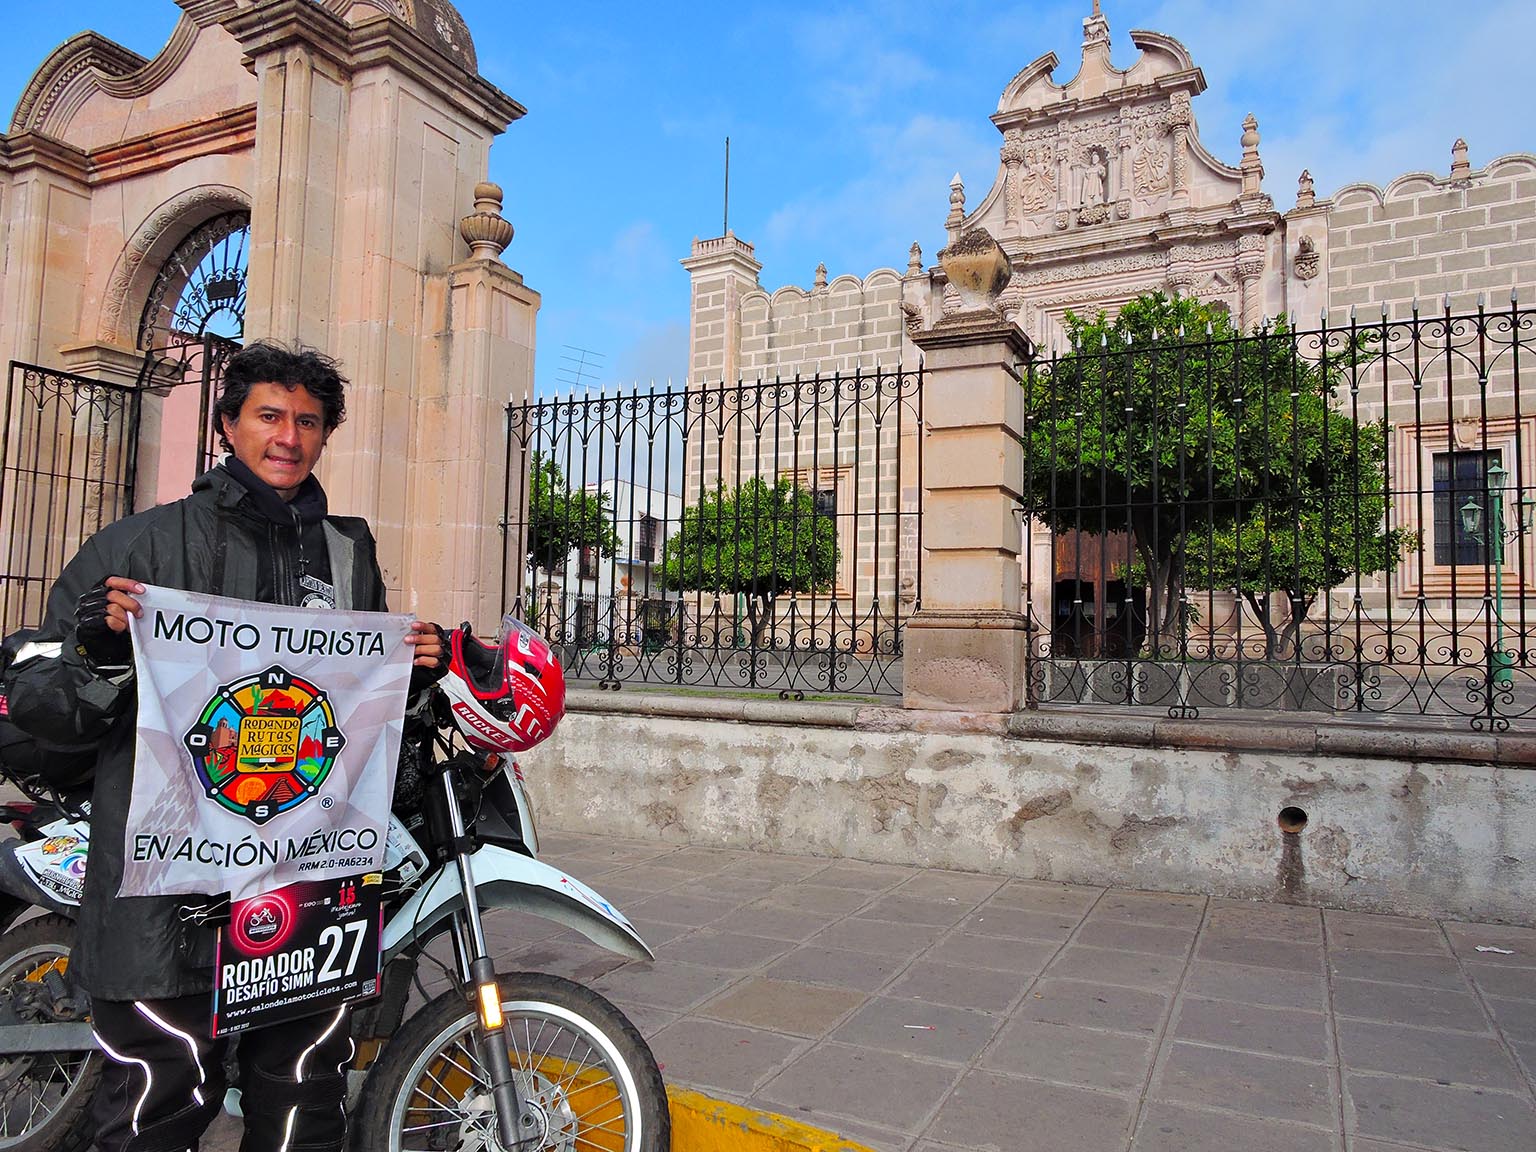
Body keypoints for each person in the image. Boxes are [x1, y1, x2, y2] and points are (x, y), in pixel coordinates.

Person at [3, 342, 443, 1152]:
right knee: (153, 1111)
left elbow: (350, 712)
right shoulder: (140, 546)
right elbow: (35, 693)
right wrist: (99, 650)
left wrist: (415, 673)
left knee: (304, 1102)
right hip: (164, 900)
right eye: (269, 416)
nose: (289, 437)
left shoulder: (350, 556)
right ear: (228, 425)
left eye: (309, 422)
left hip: (306, 893)